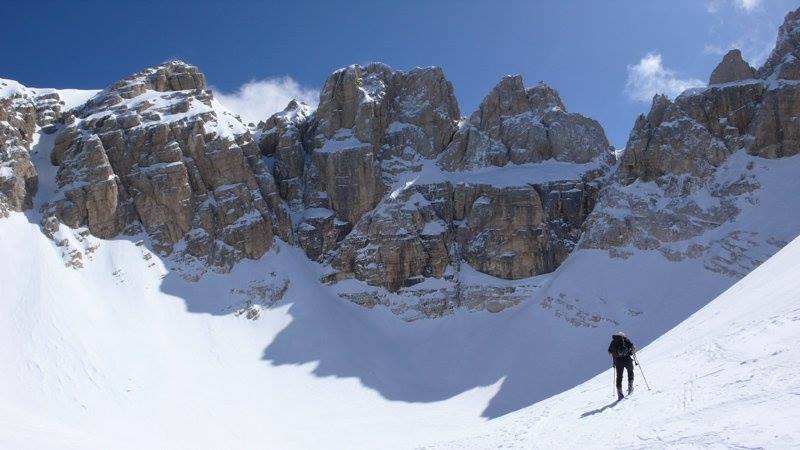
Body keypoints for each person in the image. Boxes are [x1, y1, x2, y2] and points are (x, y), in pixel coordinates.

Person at [608, 331, 635, 400]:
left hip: (618, 361)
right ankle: (630, 387)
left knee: (619, 377)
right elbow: (633, 348)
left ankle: (619, 393)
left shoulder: (613, 342)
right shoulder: (626, 340)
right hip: (627, 359)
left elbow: (609, 351)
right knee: (630, 372)